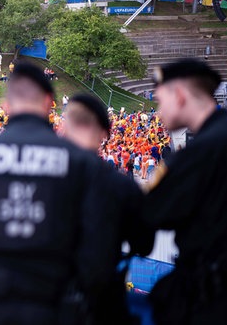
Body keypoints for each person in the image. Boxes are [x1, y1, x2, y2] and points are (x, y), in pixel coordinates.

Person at [0, 62, 117, 325]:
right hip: (55, 300)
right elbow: (103, 240)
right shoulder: (80, 162)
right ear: (49, 103)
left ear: (6, 107)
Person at [142, 58, 227, 325]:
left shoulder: (202, 150)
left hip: (214, 295)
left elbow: (151, 212)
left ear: (180, 96)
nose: (159, 111)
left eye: (160, 101)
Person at [62, 93, 154, 325]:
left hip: (48, 295)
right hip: (102, 298)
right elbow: (144, 243)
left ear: (66, 127)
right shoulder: (121, 185)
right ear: (104, 133)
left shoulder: (41, 177)